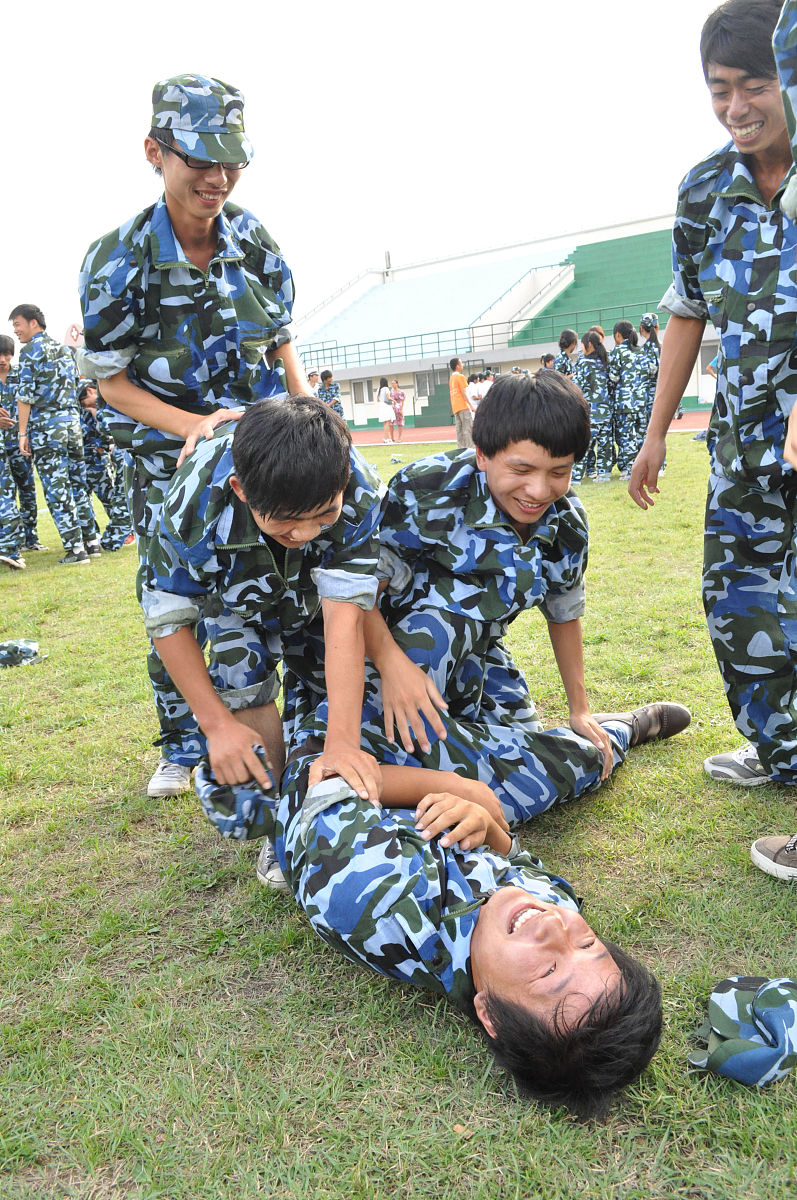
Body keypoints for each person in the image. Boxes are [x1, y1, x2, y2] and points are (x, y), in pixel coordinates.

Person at [286, 371, 689, 830]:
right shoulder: (425, 490)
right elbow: (360, 596)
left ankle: (619, 731)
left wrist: (579, 709)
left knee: (543, 752)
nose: (539, 490)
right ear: (482, 454)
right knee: (369, 736)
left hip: (479, 656)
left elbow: (564, 612)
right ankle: (366, 765)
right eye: (521, 470)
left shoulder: (566, 524)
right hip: (397, 653)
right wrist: (392, 664)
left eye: (559, 472)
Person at [195, 746, 664, 1120]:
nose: (555, 927)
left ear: (490, 1014)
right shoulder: (549, 912)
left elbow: (319, 774)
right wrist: (490, 827)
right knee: (577, 762)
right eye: (589, 944)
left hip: (336, 741)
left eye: (548, 971)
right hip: (411, 762)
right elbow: (520, 860)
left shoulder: (375, 895)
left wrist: (458, 788)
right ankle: (617, 732)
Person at [78, 74, 307, 798]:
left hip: (266, 457)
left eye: (231, 161)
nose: (218, 178)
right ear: (155, 152)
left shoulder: (253, 240)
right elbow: (112, 384)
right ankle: (183, 742)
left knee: (283, 587)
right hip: (167, 464)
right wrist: (199, 428)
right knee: (173, 598)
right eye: (200, 160)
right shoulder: (116, 259)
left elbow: (279, 339)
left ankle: (295, 728)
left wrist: (307, 411)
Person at [629, 0, 797, 791]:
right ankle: (780, 748)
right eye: (719, 88)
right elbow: (686, 312)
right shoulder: (702, 189)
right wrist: (654, 431)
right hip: (742, 442)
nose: (736, 106)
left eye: (754, 85)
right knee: (738, 600)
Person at [140, 396, 384, 886]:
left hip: (316, 590)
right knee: (240, 674)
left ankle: (314, 799)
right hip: (233, 591)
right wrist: (217, 726)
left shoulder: (359, 490)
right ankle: (277, 826)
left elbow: (344, 618)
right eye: (287, 519)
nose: (305, 532)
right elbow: (168, 618)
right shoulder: (193, 504)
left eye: (324, 515)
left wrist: (341, 742)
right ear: (240, 489)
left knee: (328, 683)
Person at [9, 304, 96, 564]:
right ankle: (91, 541)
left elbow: (25, 396)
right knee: (78, 483)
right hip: (72, 425)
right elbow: (77, 387)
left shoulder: (30, 351)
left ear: (33, 322)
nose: (15, 331)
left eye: (18, 324)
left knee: (56, 487)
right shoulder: (64, 349)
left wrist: (22, 432)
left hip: (47, 429)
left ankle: (75, 549)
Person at [77, 381, 134, 550]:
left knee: (118, 497)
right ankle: (103, 536)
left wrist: (97, 414)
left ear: (90, 391)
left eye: (84, 402)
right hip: (98, 456)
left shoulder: (107, 399)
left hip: (120, 454)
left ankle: (115, 538)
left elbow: (107, 428)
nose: (85, 407)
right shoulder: (97, 404)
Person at [0, 334, 42, 553]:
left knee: (27, 489)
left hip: (20, 443)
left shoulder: (21, 375)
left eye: (6, 354)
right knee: (4, 493)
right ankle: (9, 541)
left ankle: (30, 538)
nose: (2, 359)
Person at [571, 330, 613, 483]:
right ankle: (604, 474)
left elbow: (577, 387)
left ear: (588, 344)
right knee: (605, 444)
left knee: (584, 444)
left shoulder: (583, 363)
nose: (581, 347)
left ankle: (576, 476)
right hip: (605, 411)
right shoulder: (605, 362)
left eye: (582, 344)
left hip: (589, 412)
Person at [608, 320, 644, 481]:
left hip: (625, 402)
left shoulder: (618, 351)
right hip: (641, 401)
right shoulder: (641, 351)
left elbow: (613, 377)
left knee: (626, 437)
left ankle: (629, 470)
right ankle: (642, 468)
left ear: (617, 335)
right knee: (641, 436)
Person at [449, 358, 474, 449]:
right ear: (457, 366)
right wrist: (471, 405)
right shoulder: (460, 377)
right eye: (461, 363)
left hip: (455, 407)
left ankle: (461, 449)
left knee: (459, 430)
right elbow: (464, 393)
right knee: (468, 429)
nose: (462, 365)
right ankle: (470, 449)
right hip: (463, 406)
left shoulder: (451, 378)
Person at [376, 376, 394, 443]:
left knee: (385, 423)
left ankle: (387, 438)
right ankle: (386, 438)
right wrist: (394, 401)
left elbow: (377, 400)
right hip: (386, 406)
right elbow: (388, 398)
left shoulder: (378, 389)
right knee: (387, 422)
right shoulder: (386, 388)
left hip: (381, 406)